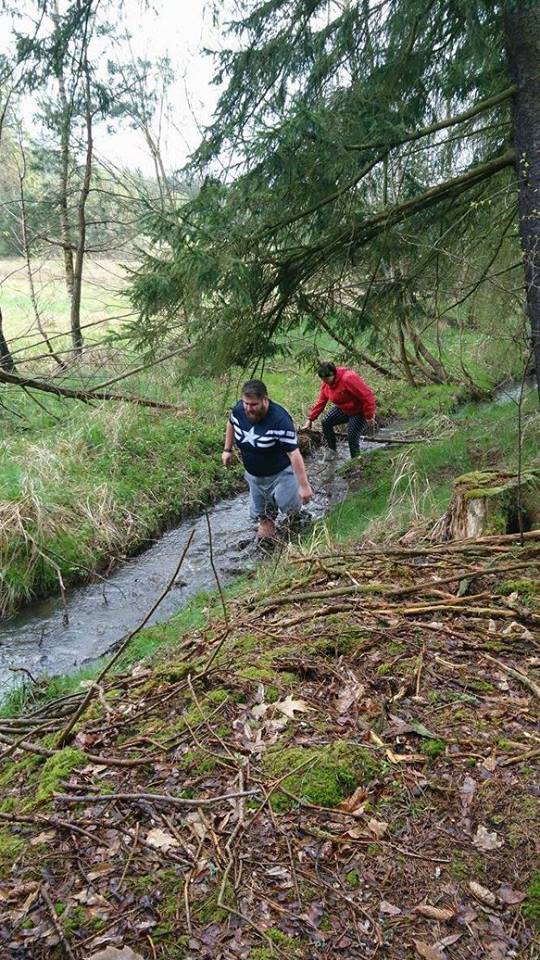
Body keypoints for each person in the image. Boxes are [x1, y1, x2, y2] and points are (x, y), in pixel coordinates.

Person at [222, 379, 313, 540]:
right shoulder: (239, 410)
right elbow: (231, 423)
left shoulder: (280, 420)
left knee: (292, 511)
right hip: (254, 478)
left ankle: (300, 528)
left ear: (265, 399)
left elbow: (294, 454)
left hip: (281, 475)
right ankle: (269, 548)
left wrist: (304, 486)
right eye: (246, 403)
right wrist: (227, 450)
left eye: (254, 404)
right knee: (263, 519)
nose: (248, 408)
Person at [302, 361, 376, 459]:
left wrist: (369, 416)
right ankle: (332, 452)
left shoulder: (348, 378)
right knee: (326, 422)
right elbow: (321, 402)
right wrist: (310, 419)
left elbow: (367, 396)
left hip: (359, 412)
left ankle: (356, 461)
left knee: (352, 436)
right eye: (322, 379)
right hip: (344, 409)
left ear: (334, 373)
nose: (325, 381)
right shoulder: (326, 384)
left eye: (327, 378)